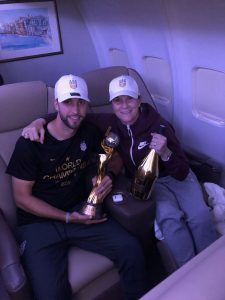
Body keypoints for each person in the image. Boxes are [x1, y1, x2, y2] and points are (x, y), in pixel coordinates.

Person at [22, 74, 218, 268]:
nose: (124, 106)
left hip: (177, 177)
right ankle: (188, 270)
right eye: (117, 100)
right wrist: (38, 121)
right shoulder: (109, 122)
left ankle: (211, 265)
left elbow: (182, 171)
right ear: (112, 104)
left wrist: (166, 152)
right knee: (170, 219)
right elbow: (73, 116)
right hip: (151, 183)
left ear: (139, 100)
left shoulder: (160, 125)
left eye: (129, 99)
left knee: (198, 216)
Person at [7, 74, 150, 300]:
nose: (76, 110)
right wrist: (66, 217)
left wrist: (108, 176)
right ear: (56, 105)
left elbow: (114, 158)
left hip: (81, 212)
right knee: (51, 294)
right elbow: (22, 198)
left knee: (131, 249)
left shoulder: (88, 131)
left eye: (81, 102)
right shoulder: (30, 143)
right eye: (68, 102)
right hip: (37, 225)